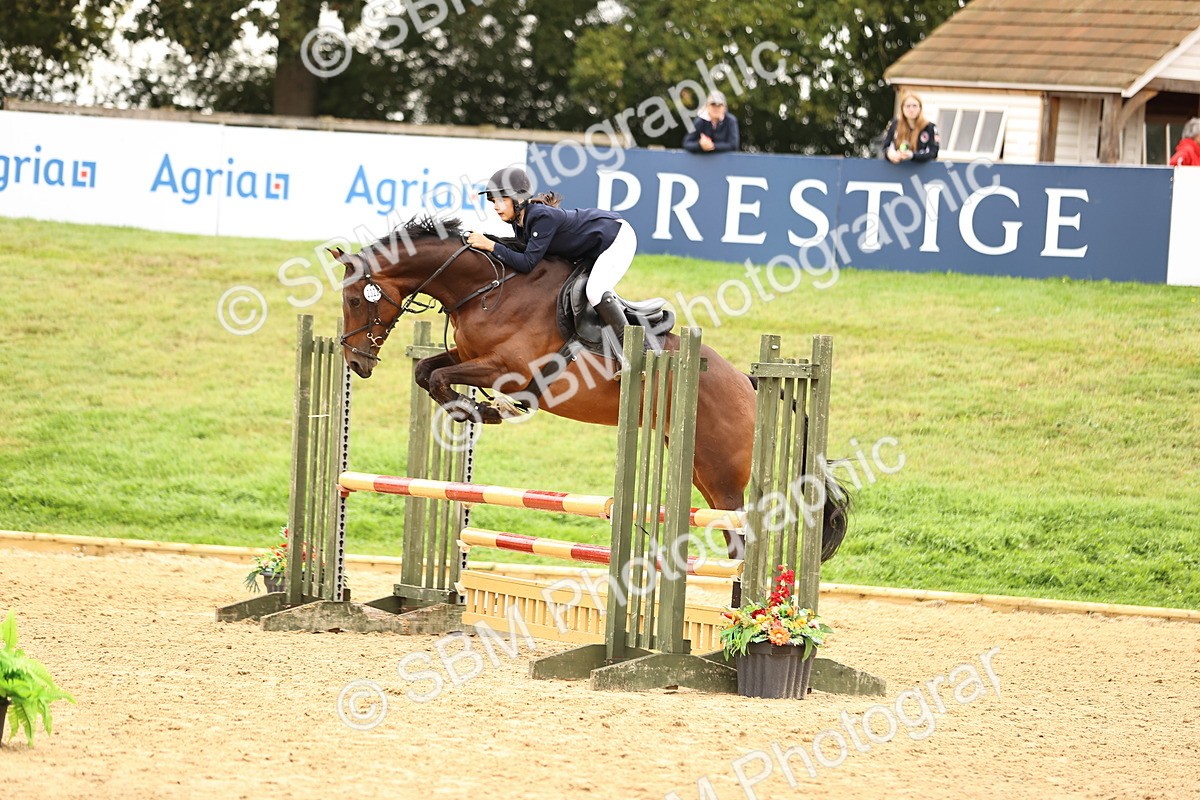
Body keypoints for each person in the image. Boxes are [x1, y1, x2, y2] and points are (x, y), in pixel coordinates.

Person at [465, 166, 634, 343]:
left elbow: (527, 263)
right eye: (493, 202)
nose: (495, 207)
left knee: (595, 292)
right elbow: (521, 251)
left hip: (616, 238)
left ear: (519, 198)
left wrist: (491, 245)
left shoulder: (540, 216)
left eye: (500, 200)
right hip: (592, 246)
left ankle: (631, 346)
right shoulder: (518, 221)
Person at [880, 92, 939, 164]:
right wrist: (890, 154)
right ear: (902, 108)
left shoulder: (930, 127)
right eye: (908, 106)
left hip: (921, 170)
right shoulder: (893, 124)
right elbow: (885, 145)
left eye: (914, 106)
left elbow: (933, 152)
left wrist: (912, 156)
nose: (911, 109)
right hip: (898, 168)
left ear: (920, 108)